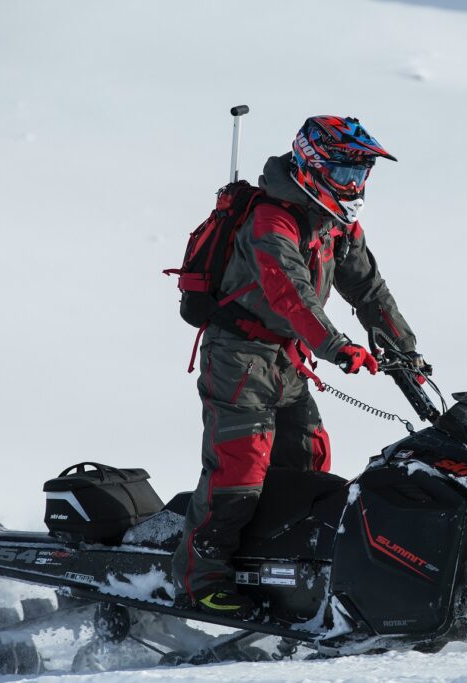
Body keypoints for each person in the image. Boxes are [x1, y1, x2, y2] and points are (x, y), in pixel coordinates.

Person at [171, 115, 425, 617]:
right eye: (345, 173)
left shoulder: (337, 223)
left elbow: (369, 291)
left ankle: (276, 569)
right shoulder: (273, 219)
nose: (354, 186)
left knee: (306, 463)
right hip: (239, 357)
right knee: (239, 472)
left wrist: (406, 351)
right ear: (312, 166)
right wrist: (337, 347)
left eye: (361, 175)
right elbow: (289, 294)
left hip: (287, 357)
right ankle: (200, 579)